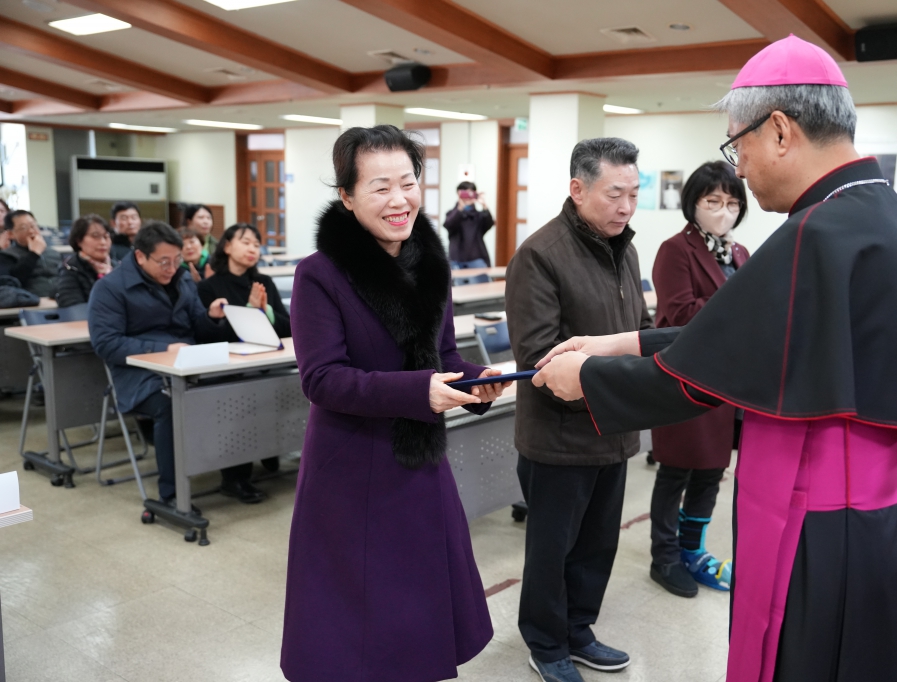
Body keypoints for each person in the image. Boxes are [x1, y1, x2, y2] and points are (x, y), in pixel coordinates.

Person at [532, 36, 897, 682]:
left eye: (736, 147)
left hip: (824, 529)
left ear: (780, 130)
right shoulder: (873, 211)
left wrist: (586, 377)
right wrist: (617, 342)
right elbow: (738, 335)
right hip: (879, 520)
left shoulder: (818, 231)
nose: (738, 170)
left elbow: (698, 377)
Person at [281, 125, 508, 682]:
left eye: (408, 183)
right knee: (358, 628)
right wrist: (417, 391)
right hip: (352, 469)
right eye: (380, 187)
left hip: (420, 463)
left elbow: (444, 353)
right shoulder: (320, 274)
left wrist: (479, 380)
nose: (400, 199)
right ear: (347, 196)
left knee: (418, 616)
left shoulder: (431, 260)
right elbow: (323, 379)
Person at [504, 138, 650, 682]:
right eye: (615, 194)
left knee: (597, 546)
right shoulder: (540, 255)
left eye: (634, 194)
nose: (626, 207)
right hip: (559, 439)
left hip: (613, 431)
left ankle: (579, 630)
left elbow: (636, 331)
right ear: (578, 188)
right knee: (552, 552)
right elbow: (539, 360)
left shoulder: (625, 249)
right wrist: (627, 380)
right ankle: (546, 643)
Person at [88, 222, 269, 506]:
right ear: (139, 257)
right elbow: (105, 343)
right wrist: (163, 348)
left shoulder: (183, 279)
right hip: (139, 375)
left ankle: (235, 478)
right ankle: (172, 495)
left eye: (176, 261)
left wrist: (211, 317)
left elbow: (197, 326)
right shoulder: (110, 288)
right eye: (163, 262)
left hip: (187, 365)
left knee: (236, 387)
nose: (171, 268)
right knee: (171, 404)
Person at [648, 161, 749, 598]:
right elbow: (680, 314)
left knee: (711, 472)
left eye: (731, 203)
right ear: (693, 203)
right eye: (713, 201)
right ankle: (664, 556)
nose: (723, 210)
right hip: (684, 380)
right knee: (676, 472)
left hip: (728, 381)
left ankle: (694, 551)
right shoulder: (676, 250)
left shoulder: (739, 253)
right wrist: (737, 304)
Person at [198, 222, 290, 477]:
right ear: (227, 246)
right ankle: (236, 476)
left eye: (257, 245)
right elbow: (209, 336)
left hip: (267, 361)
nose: (252, 249)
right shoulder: (209, 287)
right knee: (242, 394)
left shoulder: (264, 282)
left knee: (283, 385)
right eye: (246, 242)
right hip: (230, 367)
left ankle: (270, 450)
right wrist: (250, 313)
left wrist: (264, 311)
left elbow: (289, 327)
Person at [56, 214, 119, 308]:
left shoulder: (117, 267)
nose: (103, 242)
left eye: (106, 237)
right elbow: (71, 306)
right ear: (79, 241)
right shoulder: (70, 268)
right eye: (95, 236)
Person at [2, 210, 63, 297]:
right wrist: (34, 254)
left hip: (59, 300)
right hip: (29, 302)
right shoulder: (6, 256)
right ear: (11, 234)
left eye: (33, 226)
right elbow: (13, 282)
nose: (31, 231)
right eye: (23, 228)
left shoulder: (54, 253)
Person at [443, 181, 494, 267]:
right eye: (465, 193)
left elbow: (489, 223)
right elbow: (448, 224)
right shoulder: (452, 213)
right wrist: (460, 207)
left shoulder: (479, 216)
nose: (468, 196)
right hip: (456, 259)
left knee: (483, 280)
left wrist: (484, 205)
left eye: (471, 193)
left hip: (477, 257)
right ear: (458, 194)